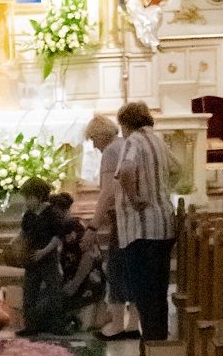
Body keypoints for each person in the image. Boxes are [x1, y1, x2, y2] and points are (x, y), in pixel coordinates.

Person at [114, 101, 177, 356]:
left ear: (126, 123)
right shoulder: (159, 140)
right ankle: (158, 351)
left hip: (141, 230)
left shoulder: (133, 140)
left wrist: (135, 197)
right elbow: (177, 169)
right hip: (163, 225)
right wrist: (160, 191)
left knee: (144, 296)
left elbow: (126, 171)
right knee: (158, 293)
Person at [84, 115, 138, 342]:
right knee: (131, 270)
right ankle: (133, 324)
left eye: (93, 139)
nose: (93, 145)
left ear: (100, 134)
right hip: (134, 216)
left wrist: (93, 225)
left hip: (121, 216)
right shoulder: (126, 144)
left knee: (115, 269)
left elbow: (108, 191)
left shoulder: (110, 151)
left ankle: (117, 325)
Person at [17, 178, 72, 337]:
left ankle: (58, 325)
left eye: (29, 198)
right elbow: (24, 232)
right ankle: (30, 325)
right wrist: (16, 241)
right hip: (32, 258)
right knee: (29, 292)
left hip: (48, 259)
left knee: (54, 291)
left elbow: (57, 236)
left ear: (40, 196)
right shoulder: (29, 215)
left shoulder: (51, 213)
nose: (27, 202)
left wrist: (44, 251)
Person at [52, 191, 106, 321]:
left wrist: (74, 284)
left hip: (85, 282)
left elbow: (89, 256)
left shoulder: (72, 227)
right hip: (77, 279)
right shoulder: (72, 225)